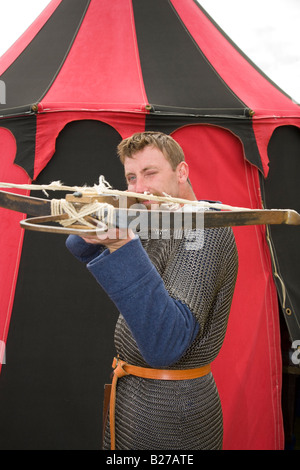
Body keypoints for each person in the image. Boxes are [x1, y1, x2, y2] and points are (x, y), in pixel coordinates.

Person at [66, 131, 238, 450]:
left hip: (177, 411)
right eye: (131, 177)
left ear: (181, 172)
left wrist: (123, 241)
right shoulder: (156, 217)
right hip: (132, 397)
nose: (138, 187)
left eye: (150, 173)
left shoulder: (206, 232)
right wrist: (99, 209)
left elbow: (165, 343)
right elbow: (80, 247)